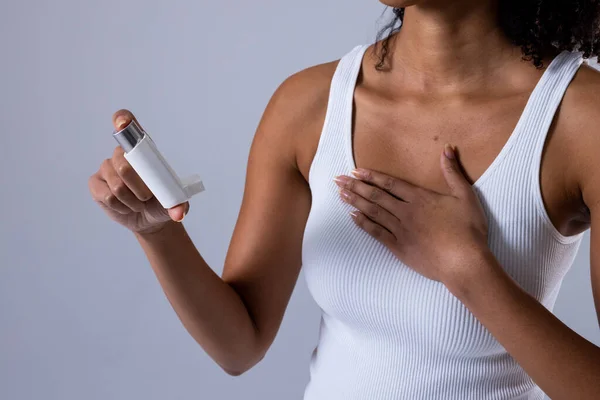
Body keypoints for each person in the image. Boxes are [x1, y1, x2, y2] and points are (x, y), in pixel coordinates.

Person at [88, 1, 600, 399]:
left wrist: (468, 271)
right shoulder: (308, 106)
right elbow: (239, 344)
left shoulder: (581, 120)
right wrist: (156, 230)